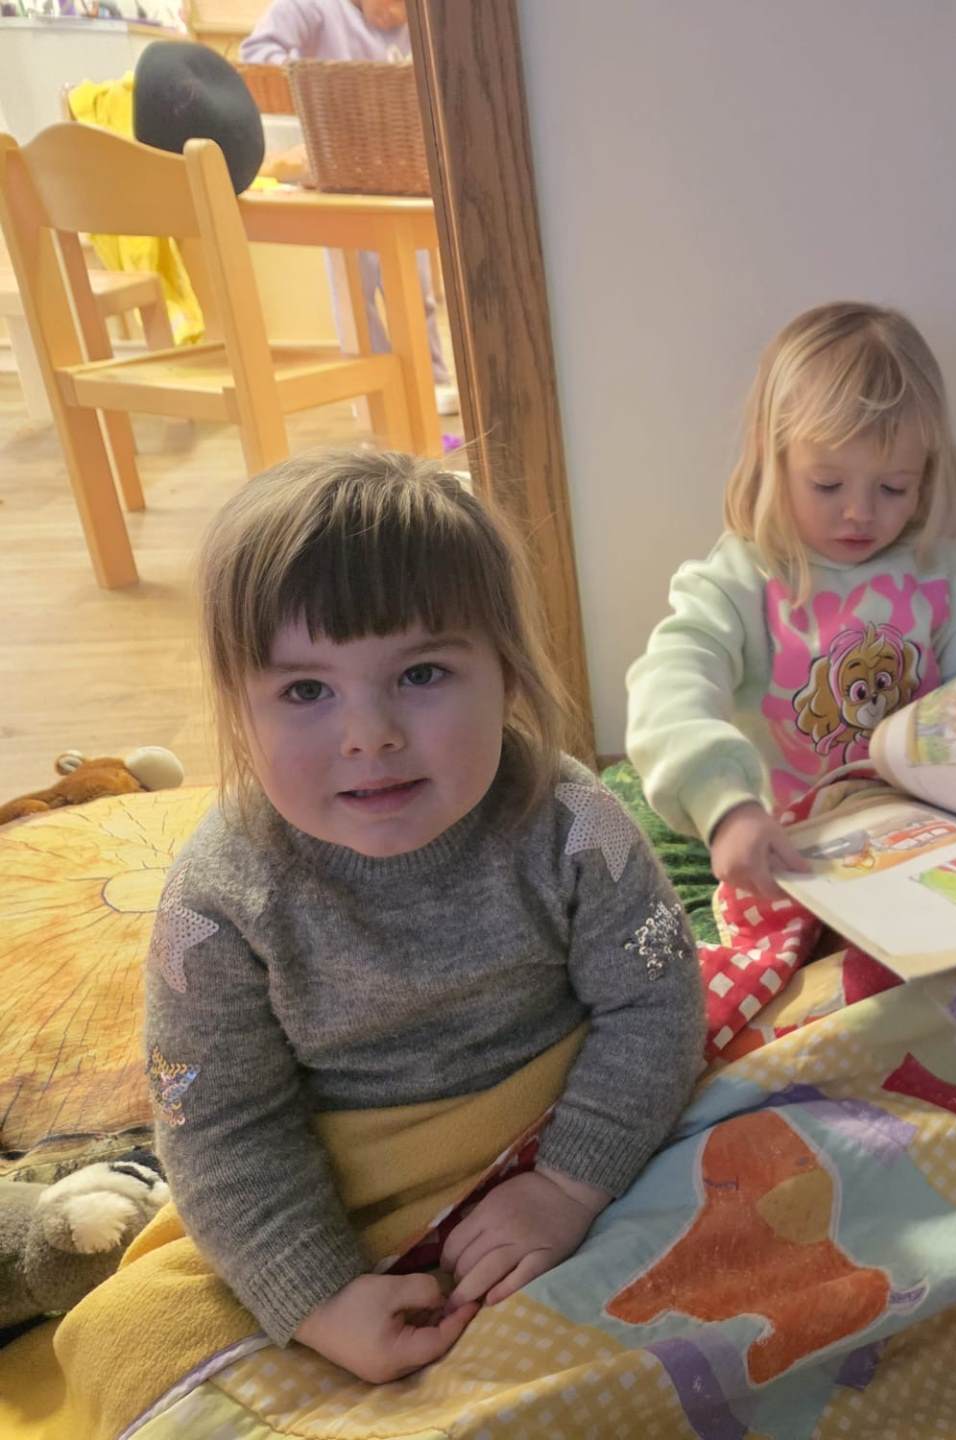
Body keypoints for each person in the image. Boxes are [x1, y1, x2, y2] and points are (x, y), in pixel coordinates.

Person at [147, 451, 705, 1384]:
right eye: (306, 691)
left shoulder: (575, 822)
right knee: (140, 1353)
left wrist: (570, 1184)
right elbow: (215, 1121)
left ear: (508, 676)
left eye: (423, 673)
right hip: (342, 1194)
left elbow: (658, 999)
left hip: (583, 1126)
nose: (370, 734)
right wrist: (319, 1300)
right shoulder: (216, 904)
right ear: (239, 713)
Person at [627, 301, 956, 902]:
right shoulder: (743, 578)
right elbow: (670, 684)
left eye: (893, 487)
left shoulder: (941, 577)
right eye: (827, 484)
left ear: (926, 476)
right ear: (773, 459)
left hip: (923, 844)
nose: (860, 512)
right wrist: (725, 806)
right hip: (786, 851)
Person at [239, 0, 458, 414]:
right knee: (356, 291)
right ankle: (375, 391)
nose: (396, 14)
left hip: (402, 170)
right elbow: (256, 53)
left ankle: (432, 381)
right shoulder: (314, 7)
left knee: (416, 286)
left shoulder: (418, 20)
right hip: (339, 169)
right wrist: (315, 81)